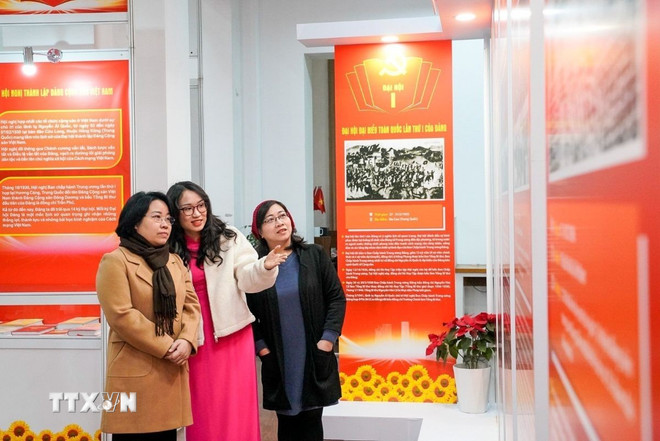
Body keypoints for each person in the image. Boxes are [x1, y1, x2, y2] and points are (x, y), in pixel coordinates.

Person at [166, 181, 288, 441]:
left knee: (236, 408)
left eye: (201, 205)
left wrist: (264, 266)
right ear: (175, 213)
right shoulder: (167, 246)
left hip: (232, 334)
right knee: (201, 409)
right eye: (187, 208)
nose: (197, 213)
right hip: (193, 338)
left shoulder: (228, 237)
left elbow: (247, 276)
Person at [96, 191, 201, 441]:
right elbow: (121, 315)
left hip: (171, 372)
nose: (165, 224)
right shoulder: (116, 261)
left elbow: (191, 305)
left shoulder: (174, 261)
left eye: (168, 219)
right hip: (136, 372)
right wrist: (167, 347)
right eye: (156, 217)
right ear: (135, 222)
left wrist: (187, 340)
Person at [247, 200, 346, 441]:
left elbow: (336, 298)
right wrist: (262, 349)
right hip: (279, 356)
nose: (279, 222)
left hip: (313, 351)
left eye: (282, 215)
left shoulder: (314, 255)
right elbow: (245, 313)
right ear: (259, 231)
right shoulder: (255, 268)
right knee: (287, 423)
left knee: (312, 421)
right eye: (270, 219)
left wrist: (327, 340)